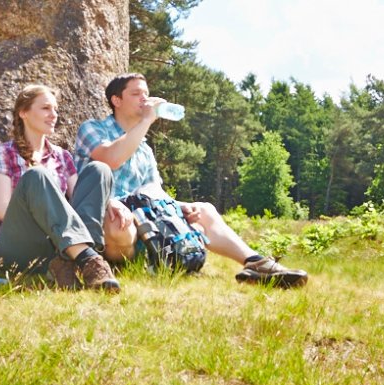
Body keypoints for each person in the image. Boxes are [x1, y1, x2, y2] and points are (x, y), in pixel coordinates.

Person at [74, 73, 308, 288]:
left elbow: (155, 191)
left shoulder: (144, 149)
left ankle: (256, 263)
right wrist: (146, 121)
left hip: (144, 218)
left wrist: (182, 207)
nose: (144, 99)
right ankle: (129, 264)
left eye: (146, 93)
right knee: (118, 224)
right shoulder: (93, 129)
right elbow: (111, 159)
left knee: (204, 209)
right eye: (136, 94)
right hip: (111, 218)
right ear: (116, 100)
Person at [0, 85, 120, 292]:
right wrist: (50, 220)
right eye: (46, 109)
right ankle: (90, 260)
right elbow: (0, 210)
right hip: (20, 245)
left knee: (99, 169)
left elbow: (81, 204)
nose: (54, 115)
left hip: (60, 244)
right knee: (36, 175)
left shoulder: (62, 156)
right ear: (23, 112)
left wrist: (111, 201)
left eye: (55, 109)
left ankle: (70, 264)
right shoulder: (4, 152)